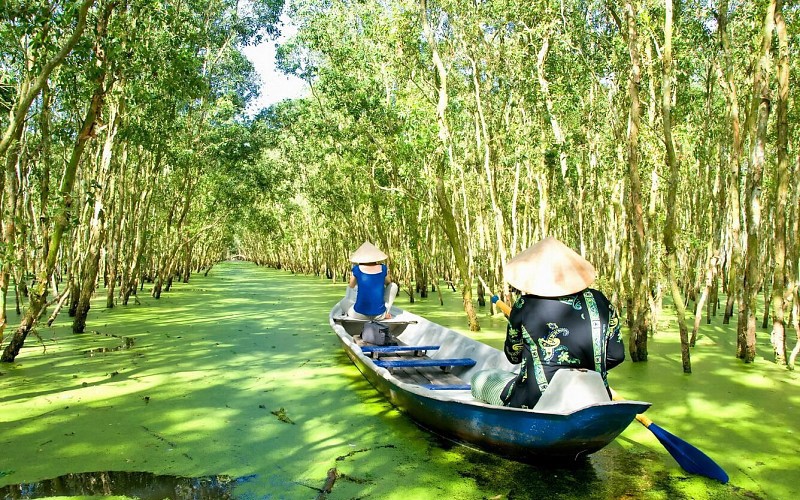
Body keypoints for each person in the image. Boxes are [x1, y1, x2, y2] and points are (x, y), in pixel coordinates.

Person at [471, 237, 625, 409]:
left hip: (536, 401)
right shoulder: (600, 301)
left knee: (478, 379)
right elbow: (616, 355)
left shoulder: (524, 304)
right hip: (596, 399)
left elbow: (513, 355)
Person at [338, 241, 398, 320]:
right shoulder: (383, 269)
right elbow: (389, 283)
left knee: (343, 302)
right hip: (379, 316)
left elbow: (351, 286)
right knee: (393, 286)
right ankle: (385, 313)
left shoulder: (356, 269)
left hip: (358, 315)